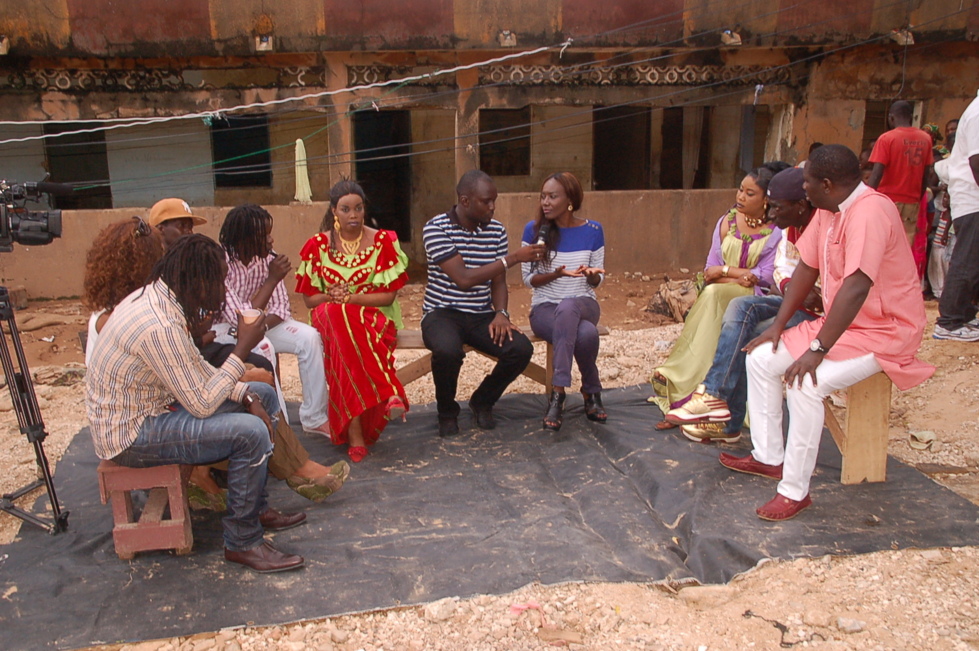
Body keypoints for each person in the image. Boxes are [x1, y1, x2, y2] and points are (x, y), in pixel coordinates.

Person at [722, 145, 933, 521]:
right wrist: (778, 327)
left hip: (885, 330)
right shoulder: (829, 210)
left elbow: (856, 287)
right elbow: (806, 267)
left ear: (827, 183)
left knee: (805, 382)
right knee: (760, 358)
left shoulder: (870, 211)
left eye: (806, 182)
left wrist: (817, 348)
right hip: (843, 325)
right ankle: (769, 457)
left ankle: (793, 491)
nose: (803, 189)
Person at [86, 235, 306, 572]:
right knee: (249, 432)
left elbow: (196, 368)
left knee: (262, 395)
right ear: (198, 280)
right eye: (218, 280)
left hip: (156, 410)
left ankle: (255, 507)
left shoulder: (164, 301)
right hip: (132, 435)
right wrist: (241, 350)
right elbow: (202, 403)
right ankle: (243, 541)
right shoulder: (158, 323)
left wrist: (245, 394)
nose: (222, 288)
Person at [666, 167, 821, 442]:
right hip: (786, 298)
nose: (773, 215)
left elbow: (778, 276)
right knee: (739, 307)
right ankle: (715, 396)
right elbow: (781, 273)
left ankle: (729, 421)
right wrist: (790, 286)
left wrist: (794, 288)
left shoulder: (818, 230)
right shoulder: (786, 229)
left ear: (800, 205)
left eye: (776, 207)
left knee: (751, 333)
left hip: (816, 312)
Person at [649, 163, 785, 422]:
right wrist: (736, 272)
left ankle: (708, 392)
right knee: (712, 295)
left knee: (712, 296)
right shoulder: (727, 222)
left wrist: (728, 273)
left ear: (767, 199)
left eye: (749, 193)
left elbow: (764, 276)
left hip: (756, 296)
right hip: (721, 289)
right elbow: (710, 270)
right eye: (740, 190)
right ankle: (690, 387)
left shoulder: (778, 231)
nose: (740, 197)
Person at [421, 170, 542, 438]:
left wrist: (501, 313)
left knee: (520, 349)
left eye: (494, 200)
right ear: (465, 201)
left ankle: (483, 401)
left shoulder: (496, 230)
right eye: (486, 201)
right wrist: (512, 258)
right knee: (447, 351)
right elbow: (463, 279)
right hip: (442, 312)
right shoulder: (436, 228)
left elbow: (498, 282)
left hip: (480, 314)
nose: (492, 207)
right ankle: (447, 412)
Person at [296, 180, 410, 462]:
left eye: (358, 208)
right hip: (329, 318)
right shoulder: (318, 246)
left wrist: (351, 300)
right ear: (334, 211)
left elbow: (387, 297)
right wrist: (331, 296)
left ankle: (356, 431)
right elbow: (310, 300)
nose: (353, 215)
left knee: (343, 328)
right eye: (346, 209)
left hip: (372, 322)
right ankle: (388, 390)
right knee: (337, 316)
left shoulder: (383, 242)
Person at [218, 204, 330, 437]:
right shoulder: (222, 263)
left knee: (309, 336)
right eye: (264, 235)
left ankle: (314, 417)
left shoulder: (266, 258)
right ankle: (281, 425)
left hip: (259, 325)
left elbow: (281, 308)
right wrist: (271, 280)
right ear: (244, 239)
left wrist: (261, 328)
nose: (270, 241)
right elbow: (238, 318)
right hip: (224, 330)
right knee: (266, 347)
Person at [521, 172, 606, 430]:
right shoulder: (534, 231)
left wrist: (591, 277)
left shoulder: (593, 230)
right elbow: (528, 279)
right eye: (543, 196)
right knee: (587, 334)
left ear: (569, 200)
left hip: (584, 303)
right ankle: (591, 392)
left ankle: (558, 394)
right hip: (545, 308)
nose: (545, 202)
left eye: (552, 196)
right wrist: (555, 274)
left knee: (570, 306)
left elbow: (598, 279)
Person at [934, 90, 979, 341]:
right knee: (967, 261)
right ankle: (949, 322)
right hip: (973, 198)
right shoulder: (978, 113)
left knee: (973, 260)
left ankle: (965, 314)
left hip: (972, 198)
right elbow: (977, 163)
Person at [867, 101, 934, 245]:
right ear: (911, 117)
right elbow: (925, 175)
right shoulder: (926, 139)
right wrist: (918, 198)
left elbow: (877, 174)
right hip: (912, 202)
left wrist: (866, 199)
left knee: (881, 243)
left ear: (891, 118)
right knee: (903, 245)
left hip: (887, 200)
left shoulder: (886, 138)